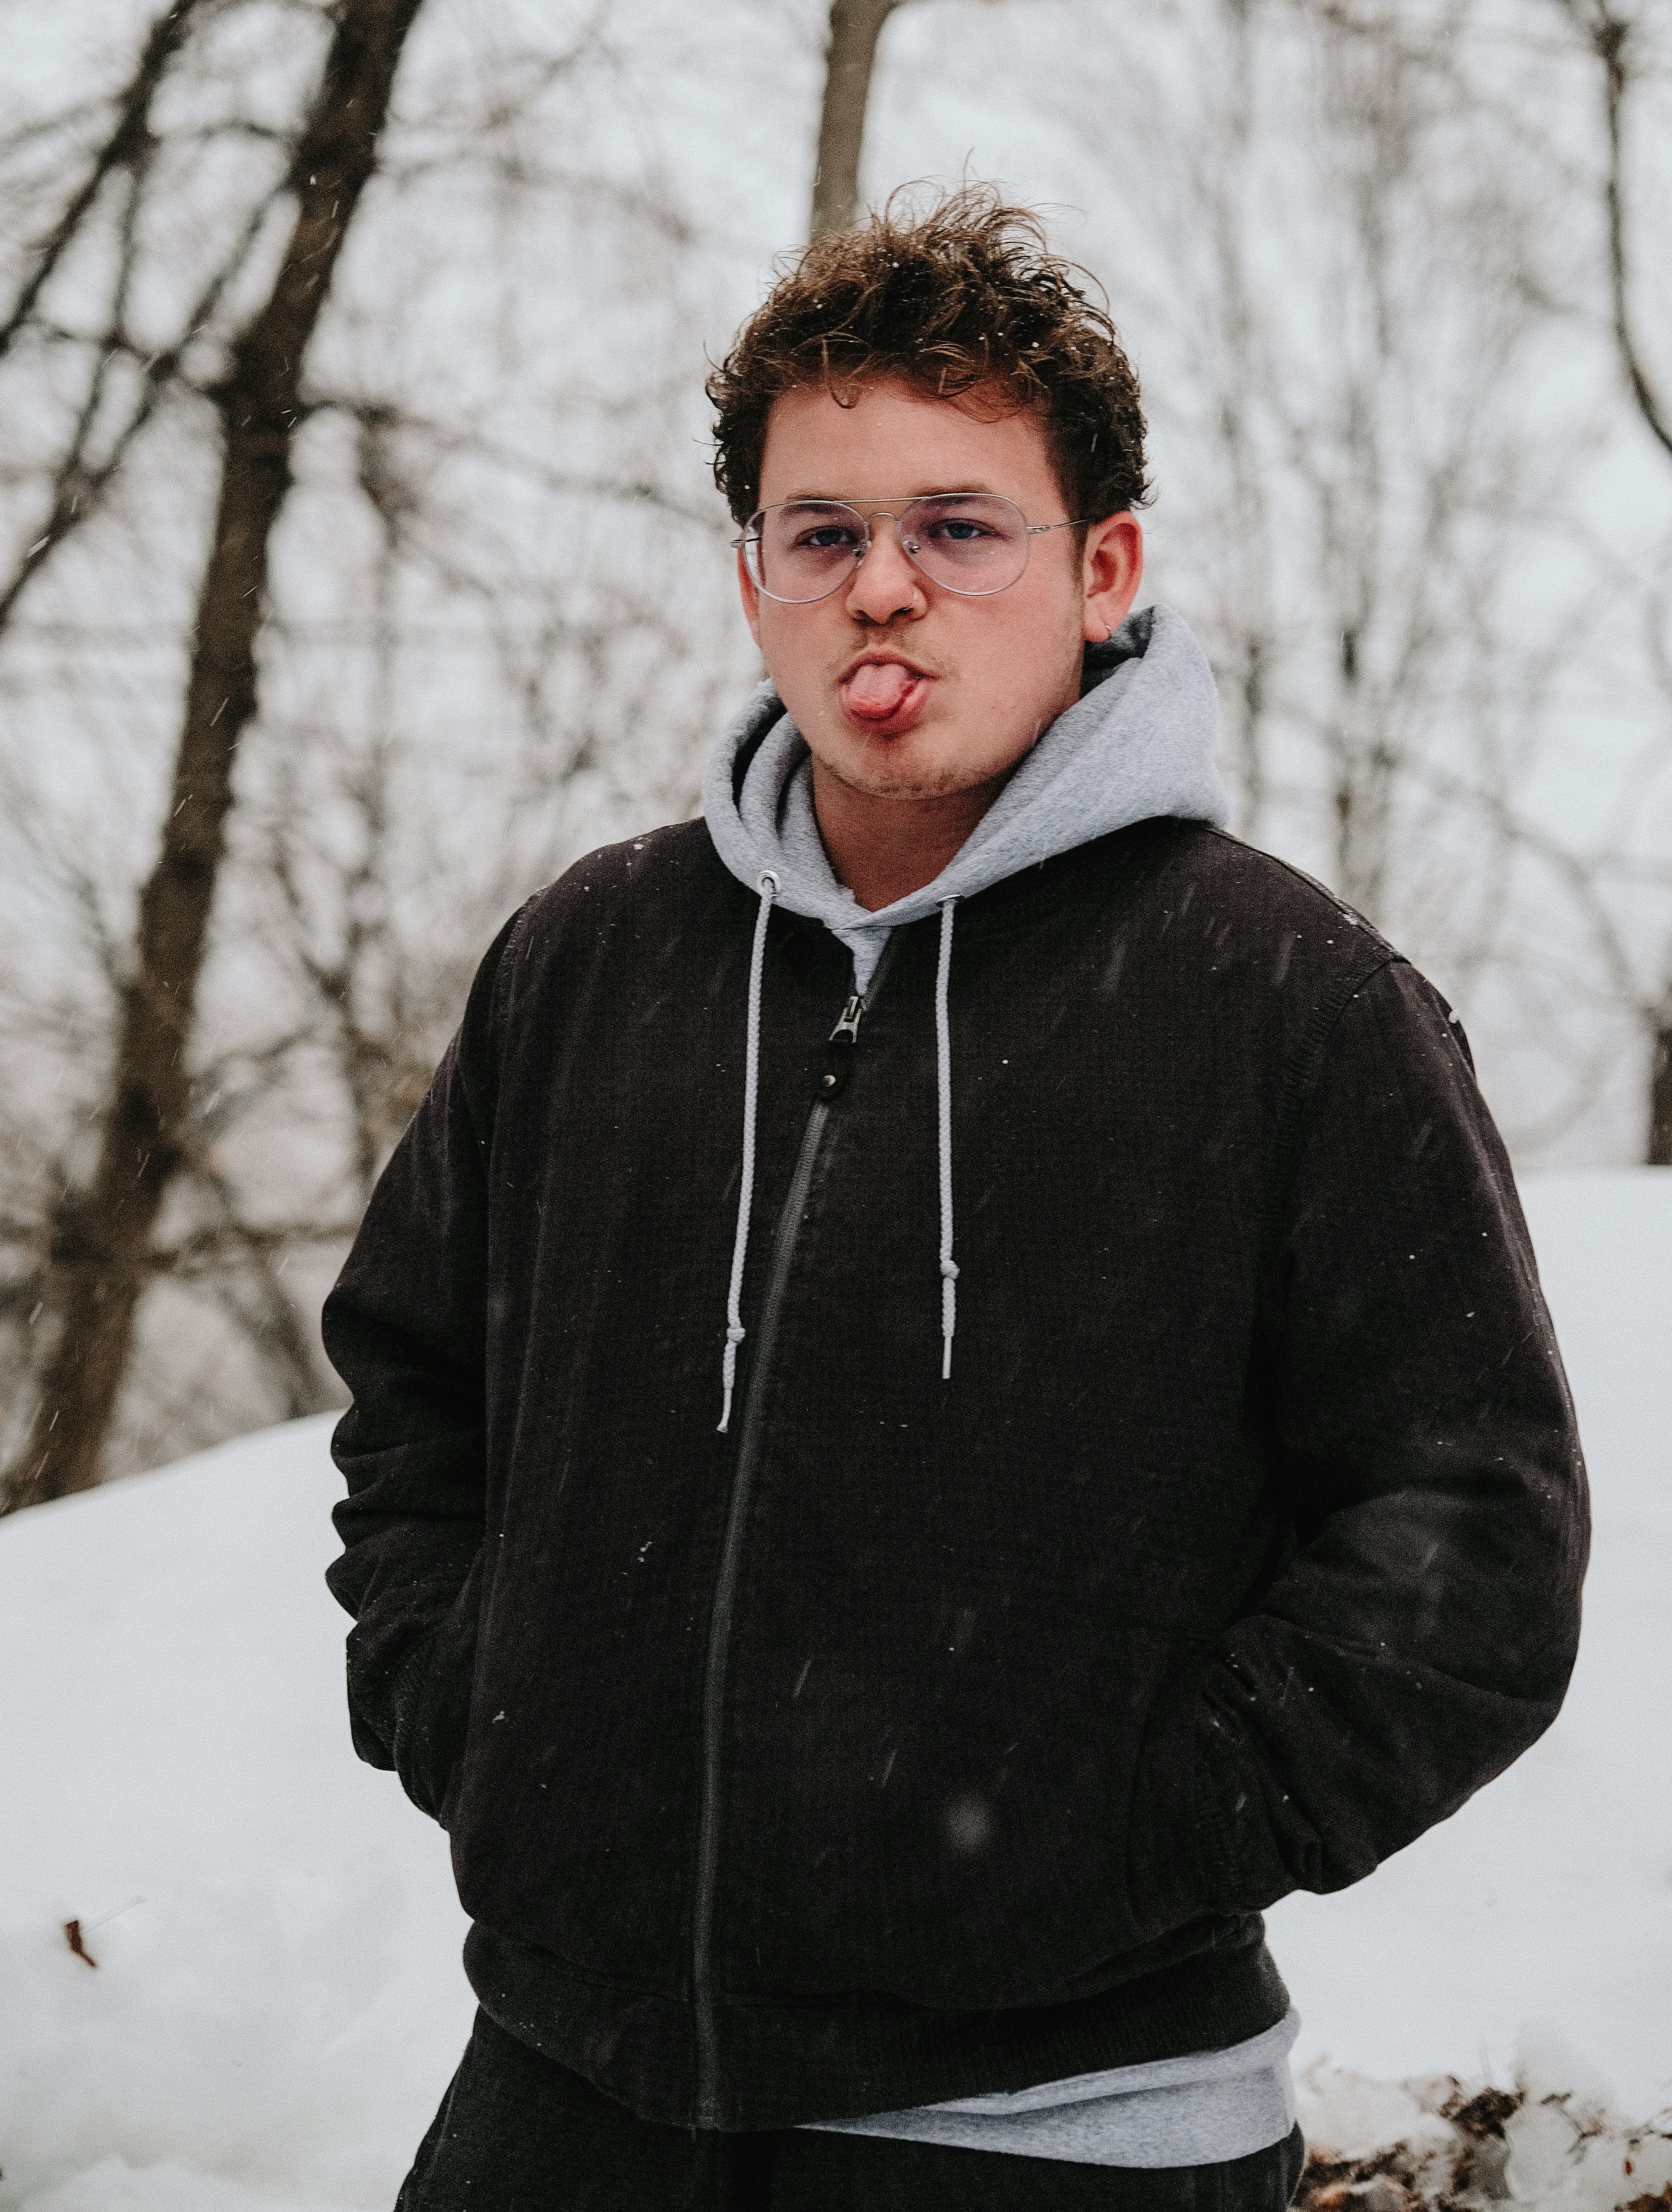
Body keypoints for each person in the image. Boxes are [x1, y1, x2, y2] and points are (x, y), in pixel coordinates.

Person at [325, 189, 1588, 2210]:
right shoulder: (592, 966)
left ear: (1099, 572)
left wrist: (1131, 1834)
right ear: (754, 583)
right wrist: (484, 1713)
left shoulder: (1281, 1001)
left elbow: (1472, 1545)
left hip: (1057, 2139)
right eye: (821, 535)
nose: (881, 591)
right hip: (567, 2103)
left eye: (956, 529)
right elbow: (411, 1400)